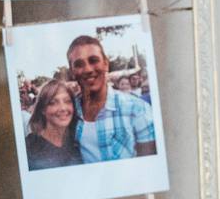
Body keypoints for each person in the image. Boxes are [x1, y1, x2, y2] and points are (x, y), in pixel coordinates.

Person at [66, 34, 157, 163]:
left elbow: (149, 167)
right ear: (72, 72)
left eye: (93, 60)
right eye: (79, 64)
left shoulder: (137, 109)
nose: (88, 69)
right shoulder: (67, 113)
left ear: (106, 64)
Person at [23, 79, 81, 170]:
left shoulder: (77, 142)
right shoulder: (27, 148)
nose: (63, 108)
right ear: (42, 109)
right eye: (53, 103)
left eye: (67, 101)